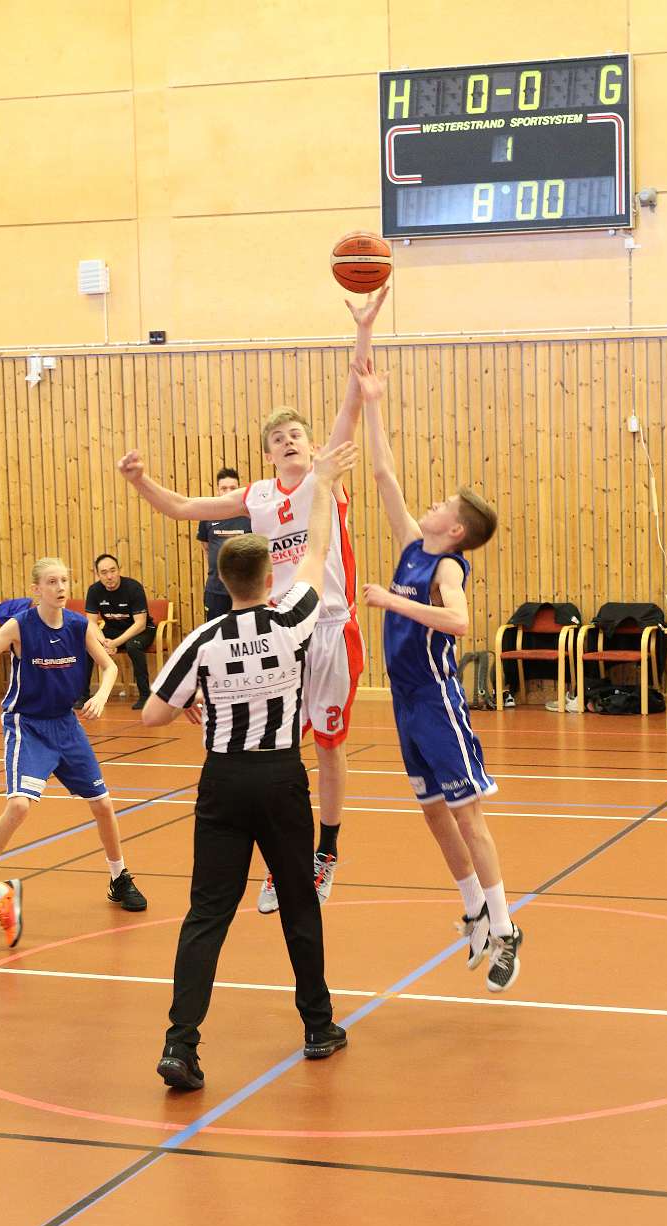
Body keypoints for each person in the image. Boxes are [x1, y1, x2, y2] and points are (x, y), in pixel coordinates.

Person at [117, 286, 388, 911]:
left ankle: (325, 853)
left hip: (328, 626)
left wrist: (364, 329)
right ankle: (286, 857)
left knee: (328, 744)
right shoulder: (258, 496)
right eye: (278, 439)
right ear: (267, 454)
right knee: (273, 747)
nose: (289, 442)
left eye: (297, 435)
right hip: (275, 632)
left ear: (313, 446)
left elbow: (353, 398)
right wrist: (140, 481)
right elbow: (183, 507)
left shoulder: (326, 477)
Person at [143, 441, 357, 1091]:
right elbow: (316, 554)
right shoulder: (293, 620)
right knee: (298, 904)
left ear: (223, 581)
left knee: (206, 913)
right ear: (268, 582)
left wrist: (190, 701)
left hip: (223, 781)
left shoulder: (201, 641)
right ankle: (318, 1025)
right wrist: (322, 485)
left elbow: (152, 714)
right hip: (280, 776)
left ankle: (181, 1044)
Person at [355, 360, 522, 992]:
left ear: (454, 530)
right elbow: (383, 473)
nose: (431, 503)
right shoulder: (411, 545)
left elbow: (460, 622)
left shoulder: (447, 568)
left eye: (444, 504)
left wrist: (390, 602)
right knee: (433, 813)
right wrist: (373, 402)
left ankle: (506, 927)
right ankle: (474, 909)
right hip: (404, 701)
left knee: (468, 815)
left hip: (436, 699)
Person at [0, 557, 147, 948]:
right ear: (36, 589)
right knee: (19, 806)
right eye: (51, 581)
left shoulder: (79, 625)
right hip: (28, 726)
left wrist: (102, 694)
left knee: (103, 804)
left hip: (66, 725)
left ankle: (119, 877)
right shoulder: (19, 627)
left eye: (64, 580)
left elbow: (109, 668)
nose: (60, 587)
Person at [81, 553, 156, 711]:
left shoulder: (133, 588)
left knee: (133, 646)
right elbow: (91, 622)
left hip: (140, 631)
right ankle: (83, 696)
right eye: (104, 572)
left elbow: (140, 624)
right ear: (97, 574)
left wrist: (115, 643)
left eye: (113, 570)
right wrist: (103, 642)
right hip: (112, 630)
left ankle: (145, 696)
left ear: (119, 570)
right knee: (88, 645)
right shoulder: (94, 590)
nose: (109, 576)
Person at [197, 467, 251, 620]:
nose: (228, 492)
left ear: (239, 489)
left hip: (245, 591)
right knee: (216, 632)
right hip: (216, 591)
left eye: (233, 488)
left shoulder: (250, 516)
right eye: (224, 488)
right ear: (218, 491)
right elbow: (206, 547)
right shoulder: (207, 515)